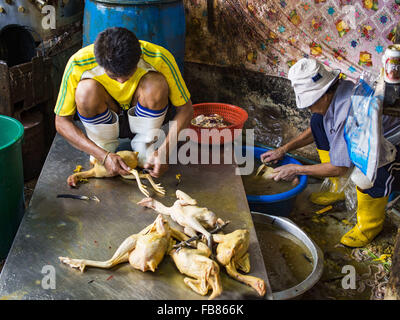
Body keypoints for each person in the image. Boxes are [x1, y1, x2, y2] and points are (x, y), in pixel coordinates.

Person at [261, 58, 400, 247]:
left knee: (366, 177)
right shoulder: (339, 91)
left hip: (390, 146)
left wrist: (296, 169)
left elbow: (339, 168)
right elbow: (322, 127)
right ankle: (338, 190)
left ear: (324, 94)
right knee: (317, 122)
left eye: (310, 102)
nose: (309, 108)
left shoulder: (346, 112)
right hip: (366, 136)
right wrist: (283, 149)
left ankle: (369, 227)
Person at [54, 27, 193, 179]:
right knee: (86, 90)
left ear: (138, 56)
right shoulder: (78, 63)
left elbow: (186, 109)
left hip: (143, 116)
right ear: (100, 63)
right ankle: (103, 146)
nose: (121, 81)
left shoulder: (159, 57)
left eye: (128, 74)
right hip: (107, 116)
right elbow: (61, 122)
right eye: (113, 76)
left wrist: (165, 151)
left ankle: (144, 144)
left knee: (156, 84)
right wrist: (103, 155)